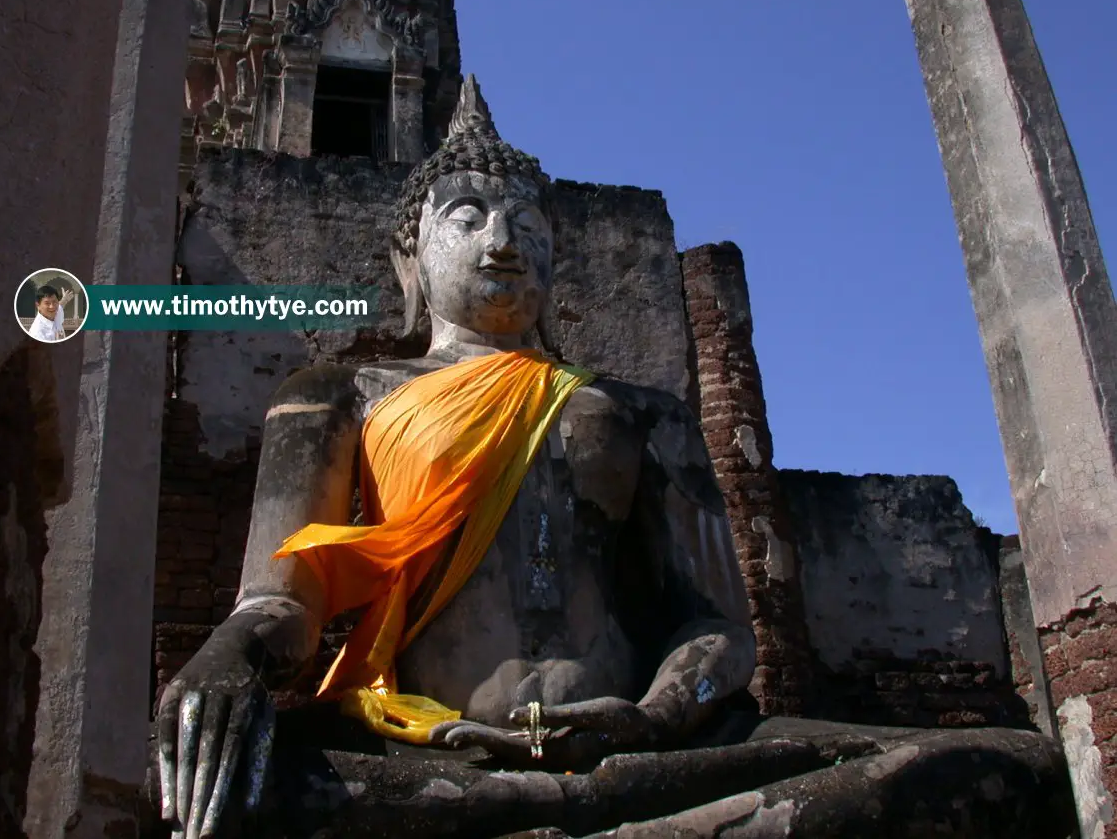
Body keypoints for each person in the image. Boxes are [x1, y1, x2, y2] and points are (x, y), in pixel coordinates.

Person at [149, 77, 1073, 839]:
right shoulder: (337, 395)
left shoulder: (642, 414)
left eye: (527, 224)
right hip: (434, 758)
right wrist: (226, 663)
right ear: (408, 258)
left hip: (644, 761)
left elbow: (717, 632)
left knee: (1005, 771)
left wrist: (657, 715)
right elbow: (282, 604)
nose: (503, 242)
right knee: (231, 790)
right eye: (467, 217)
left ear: (559, 256)